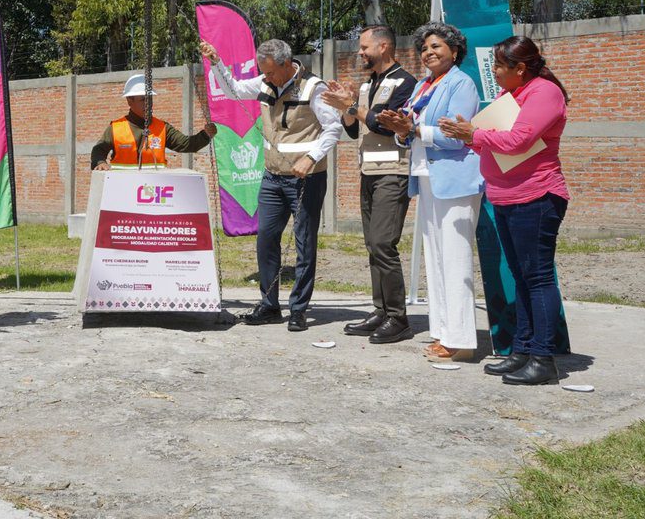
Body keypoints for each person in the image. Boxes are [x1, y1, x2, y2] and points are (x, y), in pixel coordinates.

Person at [439, 36, 571, 385]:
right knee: (521, 275)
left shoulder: (544, 93)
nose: (494, 72)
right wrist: (465, 134)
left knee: (538, 276)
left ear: (520, 68)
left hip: (536, 197)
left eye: (499, 66)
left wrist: (474, 133)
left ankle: (543, 358)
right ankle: (522, 350)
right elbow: (491, 137)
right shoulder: (509, 95)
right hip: (506, 195)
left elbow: (519, 141)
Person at [199, 38, 342, 332]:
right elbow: (234, 89)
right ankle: (269, 305)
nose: (266, 78)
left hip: (307, 179)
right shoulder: (265, 82)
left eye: (271, 72)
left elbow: (334, 127)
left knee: (304, 244)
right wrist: (216, 63)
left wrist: (311, 157)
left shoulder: (314, 88)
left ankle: (299, 309)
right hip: (272, 177)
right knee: (266, 239)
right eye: (263, 72)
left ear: (287, 64)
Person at [377, 21, 484, 358]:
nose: (429, 53)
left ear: (454, 51)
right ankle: (441, 332)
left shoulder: (462, 83)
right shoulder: (424, 84)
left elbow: (456, 135)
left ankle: (462, 341)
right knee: (435, 260)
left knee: (454, 261)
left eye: (436, 46)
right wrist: (400, 129)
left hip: (455, 180)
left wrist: (416, 130)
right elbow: (409, 127)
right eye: (424, 48)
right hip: (426, 176)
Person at [321, 25, 418, 343]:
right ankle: (381, 311)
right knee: (372, 246)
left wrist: (353, 108)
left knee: (382, 244)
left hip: (394, 172)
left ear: (385, 46)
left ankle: (398, 318)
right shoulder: (367, 86)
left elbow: (385, 125)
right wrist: (345, 109)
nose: (360, 52)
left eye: (365, 47)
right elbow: (355, 129)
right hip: (369, 172)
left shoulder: (405, 82)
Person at [91, 74, 216, 170]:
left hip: (152, 194)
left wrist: (205, 135)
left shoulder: (162, 127)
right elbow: (98, 150)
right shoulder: (116, 128)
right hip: (124, 191)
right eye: (143, 100)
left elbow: (186, 144)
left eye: (150, 99)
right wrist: (100, 162)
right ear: (130, 101)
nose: (148, 104)